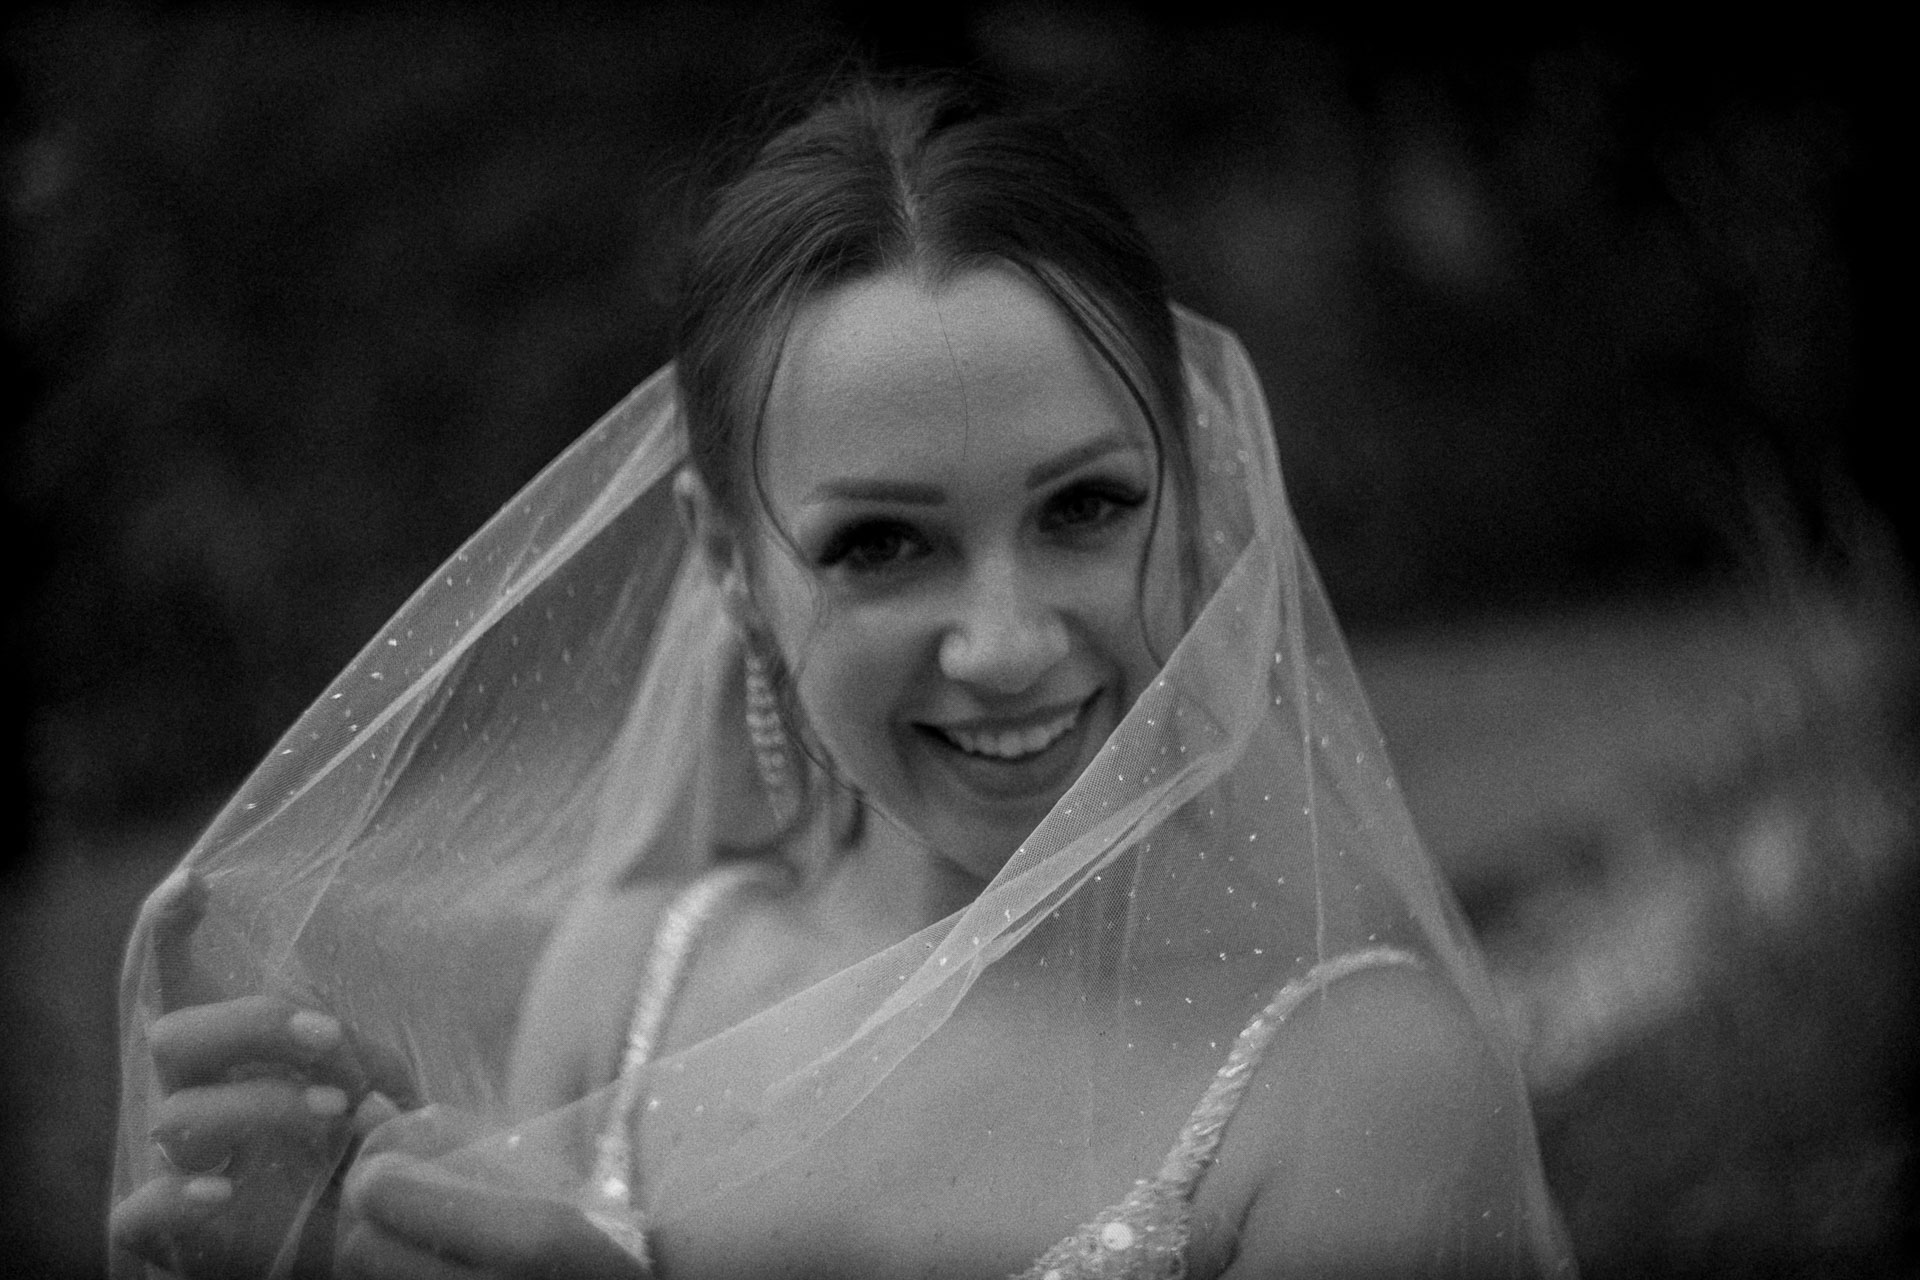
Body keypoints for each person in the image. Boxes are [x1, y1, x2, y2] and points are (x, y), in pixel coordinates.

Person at [110, 76, 1574, 1278]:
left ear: (1193, 501)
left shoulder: (1364, 1089)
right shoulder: (622, 990)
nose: (1007, 644)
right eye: (882, 544)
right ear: (729, 565)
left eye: (1085, 507)